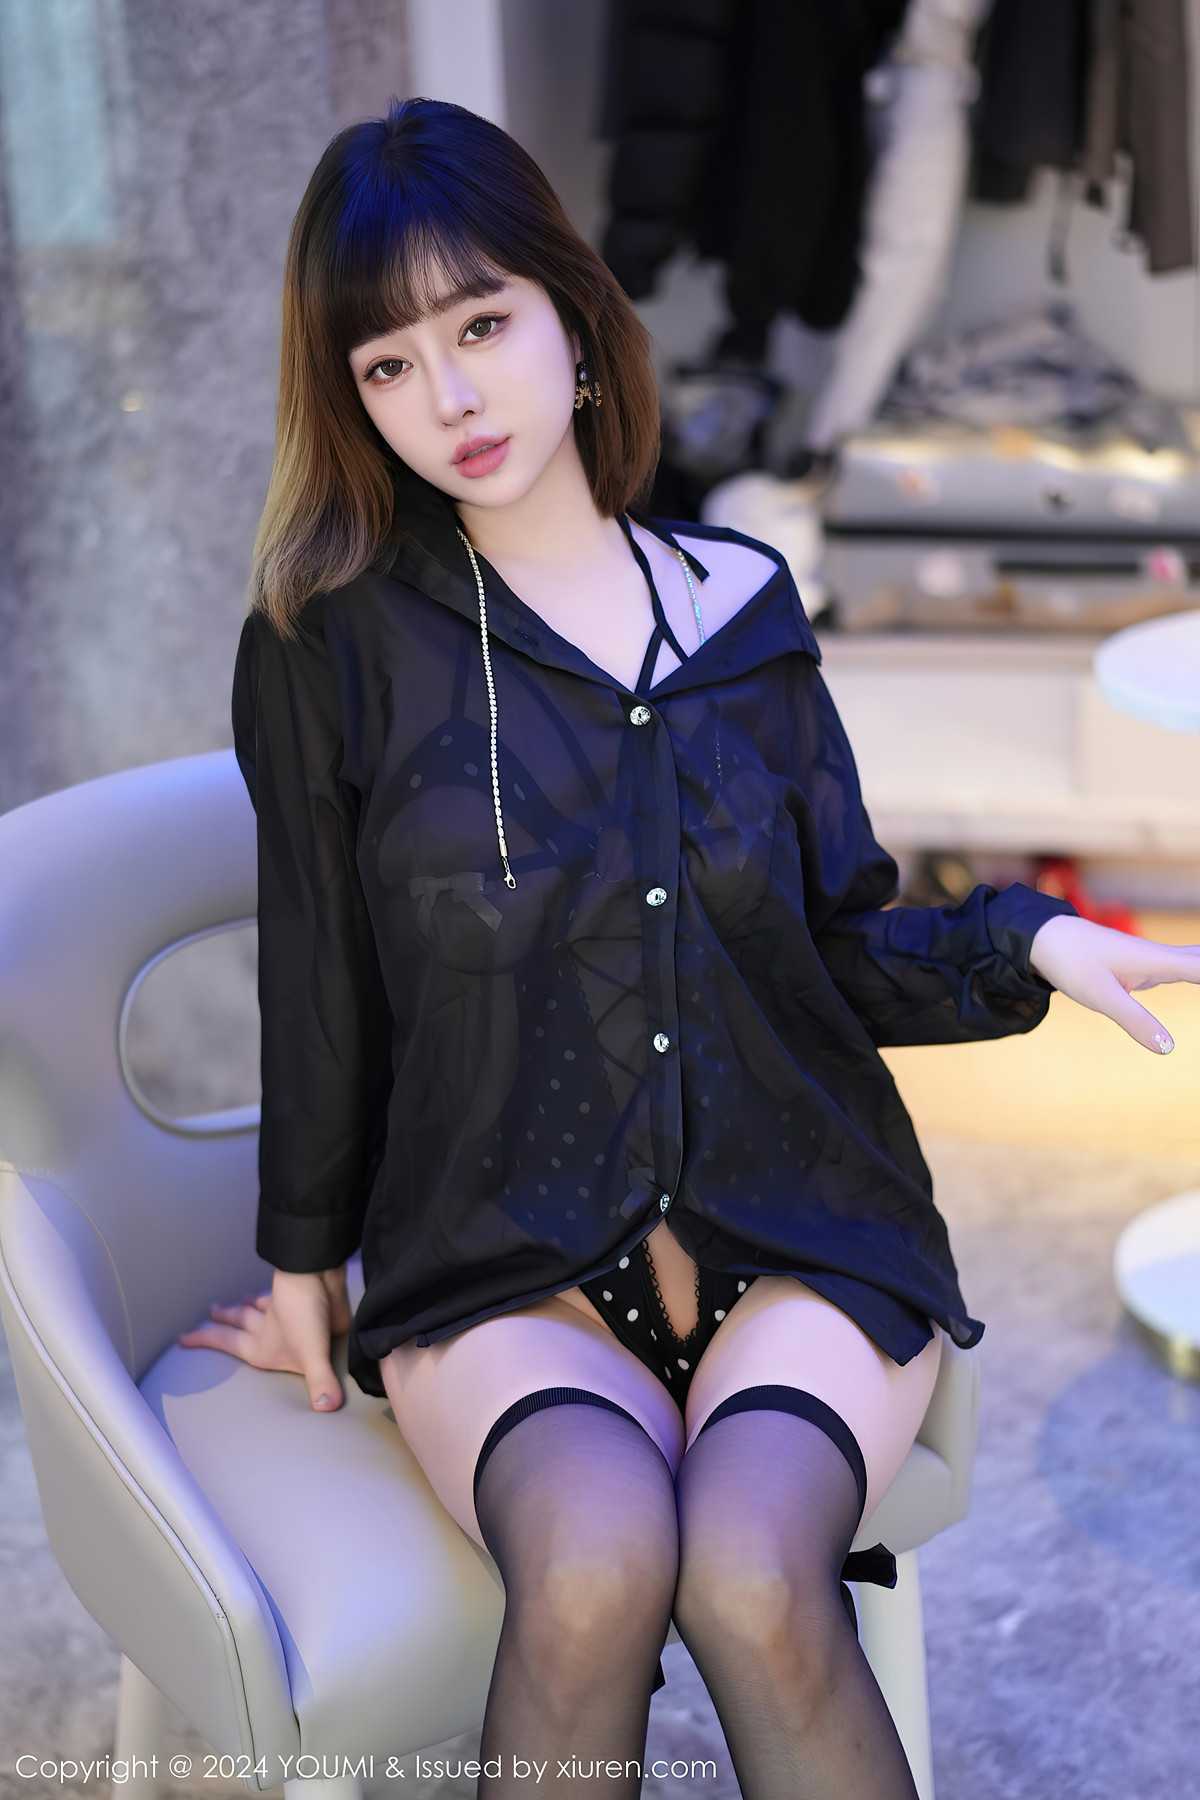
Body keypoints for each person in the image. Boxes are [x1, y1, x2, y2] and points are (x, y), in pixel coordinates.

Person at [178, 95, 1198, 1799]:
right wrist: (304, 1275)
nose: (451, 397)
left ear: (575, 322)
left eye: (482, 326)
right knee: (590, 1568)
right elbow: (322, 976)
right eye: (389, 364)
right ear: (353, 400)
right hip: (503, 1259)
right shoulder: (330, 646)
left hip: (797, 1225)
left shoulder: (743, 609)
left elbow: (833, 942)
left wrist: (1032, 941)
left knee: (753, 1574)